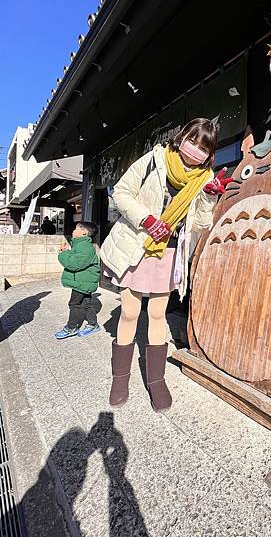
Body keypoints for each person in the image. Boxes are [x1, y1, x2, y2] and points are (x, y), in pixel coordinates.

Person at [100, 118, 231, 411]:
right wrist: (147, 219)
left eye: (203, 147)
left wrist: (209, 198)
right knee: (130, 312)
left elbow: (198, 224)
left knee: (157, 314)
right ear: (181, 137)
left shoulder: (205, 179)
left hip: (169, 252)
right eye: (192, 141)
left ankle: (156, 380)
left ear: (209, 153)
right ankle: (120, 378)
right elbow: (120, 192)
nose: (195, 150)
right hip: (137, 246)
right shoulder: (154, 160)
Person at [55, 221, 101, 339]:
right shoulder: (81, 245)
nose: (73, 231)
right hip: (84, 281)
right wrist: (68, 252)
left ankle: (71, 328)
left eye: (76, 229)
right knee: (86, 303)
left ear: (84, 233)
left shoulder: (85, 246)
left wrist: (63, 254)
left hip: (82, 282)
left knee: (74, 304)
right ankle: (93, 324)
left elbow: (75, 264)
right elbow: (78, 259)